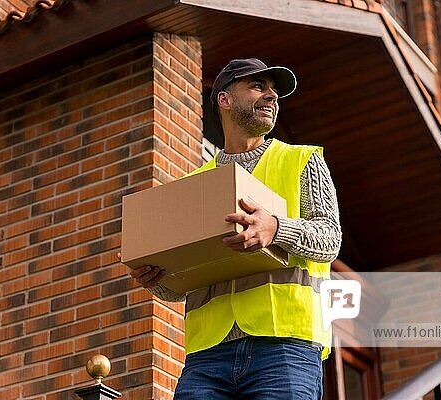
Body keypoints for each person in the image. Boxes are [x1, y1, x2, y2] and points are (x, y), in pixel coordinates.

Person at [130, 58, 342, 399]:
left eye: (274, 91)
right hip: (206, 357)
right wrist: (159, 280)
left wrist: (275, 228)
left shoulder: (301, 160)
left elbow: (329, 238)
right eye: (258, 87)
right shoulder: (193, 185)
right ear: (225, 100)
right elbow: (187, 279)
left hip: (284, 347)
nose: (271, 96)